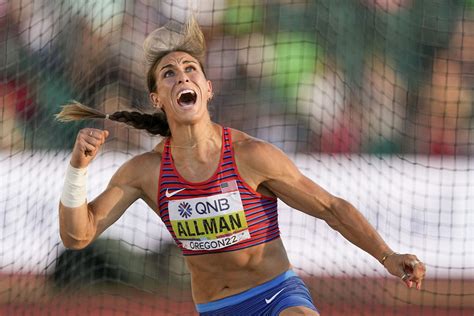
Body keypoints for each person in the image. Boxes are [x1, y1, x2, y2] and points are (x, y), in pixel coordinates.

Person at [56, 18, 426, 316]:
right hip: (216, 308)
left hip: (278, 295)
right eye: (169, 73)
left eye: (190, 69)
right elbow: (78, 236)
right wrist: (77, 169)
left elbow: (331, 208)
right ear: (157, 98)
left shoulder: (251, 155)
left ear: (208, 87)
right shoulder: (145, 172)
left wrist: (386, 255)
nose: (182, 75)